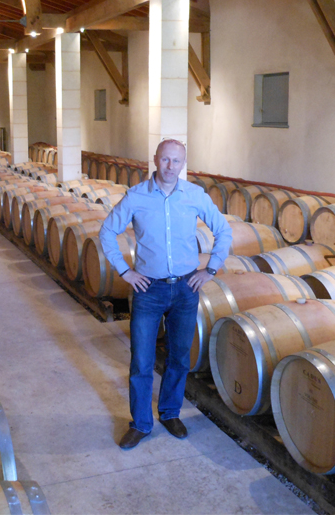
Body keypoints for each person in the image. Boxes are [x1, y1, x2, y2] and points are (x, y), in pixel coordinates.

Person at [99, 139, 232, 449]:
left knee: (179, 357)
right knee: (141, 361)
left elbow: (223, 230)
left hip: (186, 288)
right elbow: (107, 231)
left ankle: (170, 413)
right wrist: (125, 271)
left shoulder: (194, 195)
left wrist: (211, 269)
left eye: (177, 161)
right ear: (155, 159)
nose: (171, 166)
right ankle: (141, 424)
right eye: (165, 159)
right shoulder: (137, 196)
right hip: (149, 289)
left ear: (183, 163)